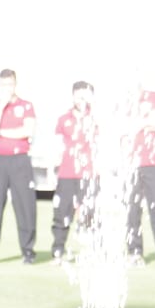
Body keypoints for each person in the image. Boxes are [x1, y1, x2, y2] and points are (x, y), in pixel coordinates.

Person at [0, 68, 36, 264]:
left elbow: (27, 130)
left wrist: (1, 132)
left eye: (10, 84)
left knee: (25, 207)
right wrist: (2, 106)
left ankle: (28, 251)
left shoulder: (26, 106)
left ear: (15, 84)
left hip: (19, 160)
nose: (7, 88)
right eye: (4, 85)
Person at [126, 87, 155, 268]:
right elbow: (124, 128)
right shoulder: (124, 101)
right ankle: (134, 252)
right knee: (132, 211)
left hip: (153, 163)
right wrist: (144, 121)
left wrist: (140, 122)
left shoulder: (154, 96)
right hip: (130, 164)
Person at [51, 81, 96, 263]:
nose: (81, 100)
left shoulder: (96, 118)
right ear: (73, 97)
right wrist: (52, 170)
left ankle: (93, 252)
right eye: (78, 95)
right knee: (62, 214)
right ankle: (58, 252)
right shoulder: (64, 119)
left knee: (90, 215)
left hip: (89, 174)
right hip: (67, 173)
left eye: (85, 96)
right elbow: (57, 146)